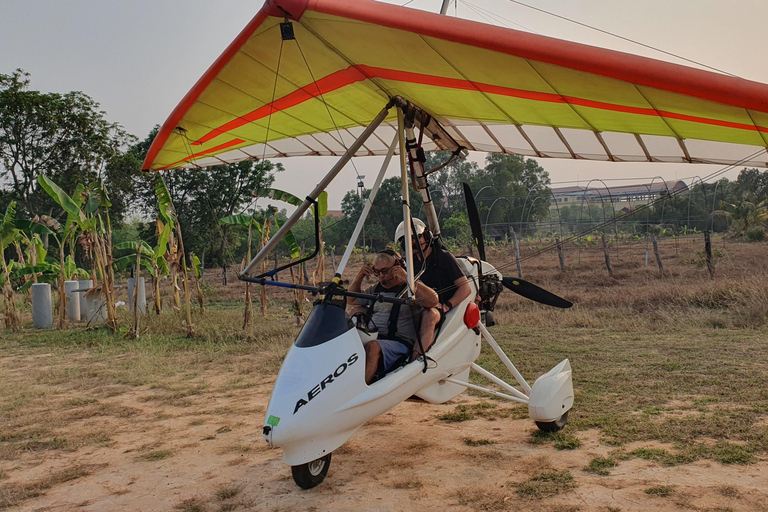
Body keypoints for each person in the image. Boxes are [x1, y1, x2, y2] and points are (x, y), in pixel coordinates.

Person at [348, 250, 440, 384]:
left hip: (398, 343)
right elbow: (351, 300)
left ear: (397, 267)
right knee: (353, 319)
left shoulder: (410, 288)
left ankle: (360, 388)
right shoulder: (376, 289)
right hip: (375, 337)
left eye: (385, 271)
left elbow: (433, 301)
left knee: (373, 346)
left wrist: (407, 278)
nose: (381, 276)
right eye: (377, 272)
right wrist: (359, 277)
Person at [395, 218, 473, 318]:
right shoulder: (409, 262)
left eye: (417, 237)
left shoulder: (443, 257)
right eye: (408, 239)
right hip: (420, 307)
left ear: (426, 236)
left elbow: (465, 288)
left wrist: (447, 305)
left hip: (440, 309)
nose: (414, 241)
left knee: (429, 315)